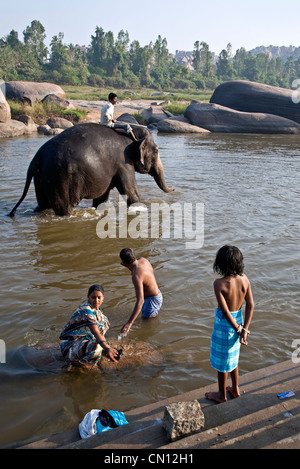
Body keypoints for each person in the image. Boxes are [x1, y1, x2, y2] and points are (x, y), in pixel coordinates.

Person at [205, 245, 254, 403]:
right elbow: (251, 305)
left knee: (222, 362)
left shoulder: (219, 284)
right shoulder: (244, 279)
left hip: (225, 326)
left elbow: (225, 312)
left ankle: (221, 395)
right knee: (233, 357)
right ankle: (235, 388)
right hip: (238, 320)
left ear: (220, 264)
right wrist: (244, 328)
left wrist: (238, 329)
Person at [60, 284, 119, 367]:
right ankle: (82, 365)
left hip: (85, 340)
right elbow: (95, 331)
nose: (96, 300)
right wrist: (107, 348)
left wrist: (108, 347)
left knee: (104, 321)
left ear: (103, 298)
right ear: (88, 297)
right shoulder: (86, 309)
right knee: (96, 348)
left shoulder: (98, 312)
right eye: (93, 297)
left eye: (99, 297)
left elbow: (100, 333)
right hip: (70, 345)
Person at [120, 248, 162, 334]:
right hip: (156, 294)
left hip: (152, 300)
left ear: (123, 262)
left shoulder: (136, 276)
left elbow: (140, 300)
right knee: (145, 319)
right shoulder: (143, 260)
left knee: (148, 325)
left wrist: (129, 323)